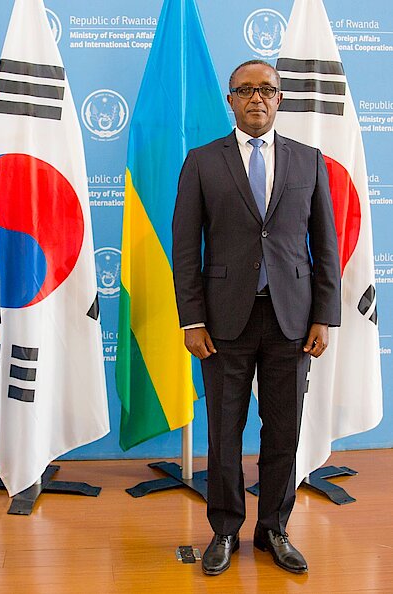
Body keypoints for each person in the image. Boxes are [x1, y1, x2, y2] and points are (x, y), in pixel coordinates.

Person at [172, 59, 341, 576]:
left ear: (279, 98)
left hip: (293, 320)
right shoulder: (202, 162)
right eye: (245, 90)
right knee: (224, 432)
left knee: (283, 431)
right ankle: (224, 529)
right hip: (224, 322)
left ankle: (274, 528)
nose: (256, 98)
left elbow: (325, 246)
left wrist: (325, 315)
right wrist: (191, 320)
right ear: (231, 100)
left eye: (266, 89)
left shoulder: (309, 161)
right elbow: (186, 248)